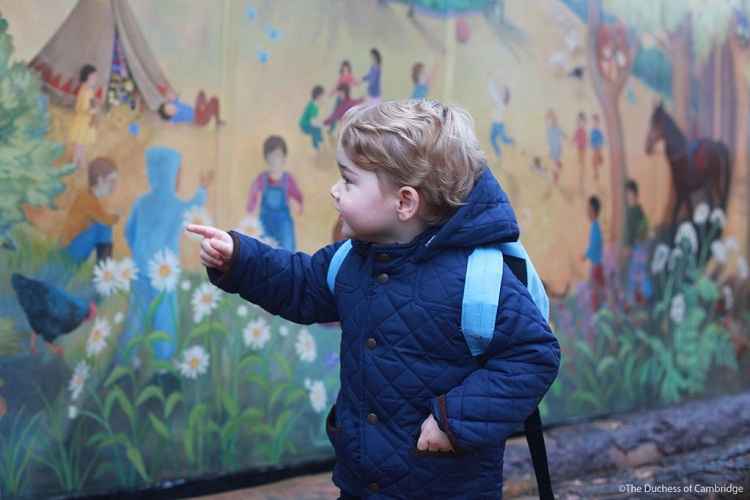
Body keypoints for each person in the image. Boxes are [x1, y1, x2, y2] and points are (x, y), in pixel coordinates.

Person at [186, 99, 560, 499]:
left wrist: (456, 422)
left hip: (446, 487)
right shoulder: (354, 258)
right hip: (362, 481)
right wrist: (241, 259)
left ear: (404, 202)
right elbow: (301, 284)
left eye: (348, 181)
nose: (334, 191)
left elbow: (533, 356)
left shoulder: (478, 278)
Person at [118, 146, 214, 368]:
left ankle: (125, 364)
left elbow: (128, 232)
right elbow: (193, 207)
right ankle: (164, 367)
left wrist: (140, 254)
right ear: (173, 175)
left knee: (136, 316)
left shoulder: (141, 203)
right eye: (178, 172)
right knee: (165, 318)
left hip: (141, 270)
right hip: (165, 274)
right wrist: (202, 189)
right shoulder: (176, 205)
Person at [246, 135, 303, 251]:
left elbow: (298, 201)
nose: (274, 160)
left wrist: (296, 205)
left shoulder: (288, 180)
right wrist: (252, 212)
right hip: (265, 224)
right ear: (266, 158)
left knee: (287, 254)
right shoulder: (261, 180)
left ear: (284, 158)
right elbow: (252, 204)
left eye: (278, 156)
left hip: (284, 226)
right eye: (271, 156)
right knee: (265, 255)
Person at [61, 157, 119, 265]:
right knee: (104, 227)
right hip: (69, 251)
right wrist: (118, 216)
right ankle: (104, 271)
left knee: (103, 227)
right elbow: (106, 219)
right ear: (100, 180)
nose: (114, 187)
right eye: (112, 181)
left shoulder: (90, 197)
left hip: (73, 248)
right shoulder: (87, 199)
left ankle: (104, 271)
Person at [623, 179, 652, 306]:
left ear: (633, 194)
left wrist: (628, 248)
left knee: (635, 274)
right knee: (640, 273)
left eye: (628, 194)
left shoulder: (633, 211)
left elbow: (632, 232)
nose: (627, 197)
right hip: (642, 246)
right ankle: (645, 297)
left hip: (638, 247)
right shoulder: (639, 210)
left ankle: (632, 301)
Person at [68, 64, 99, 169]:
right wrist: (92, 110)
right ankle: (74, 164)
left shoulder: (88, 89)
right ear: (87, 77)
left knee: (82, 145)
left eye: (96, 77)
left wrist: (93, 110)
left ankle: (82, 164)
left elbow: (91, 103)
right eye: (93, 77)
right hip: (82, 122)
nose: (95, 79)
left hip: (86, 122)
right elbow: (81, 108)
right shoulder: (85, 91)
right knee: (79, 145)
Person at [582, 195, 605, 312]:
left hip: (597, 266)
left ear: (594, 211)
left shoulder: (595, 227)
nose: (587, 213)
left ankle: (597, 312)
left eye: (589, 210)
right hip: (596, 265)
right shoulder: (594, 227)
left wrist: (586, 255)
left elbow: (595, 245)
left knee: (596, 292)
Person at [157, 89, 224, 127]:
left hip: (198, 111)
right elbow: (169, 123)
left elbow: (173, 96)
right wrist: (167, 123)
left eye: (170, 106)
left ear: (170, 103)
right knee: (214, 99)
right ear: (170, 116)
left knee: (201, 93)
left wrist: (169, 95)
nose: (171, 109)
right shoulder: (175, 118)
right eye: (169, 111)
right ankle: (217, 120)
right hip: (200, 120)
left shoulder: (175, 103)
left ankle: (206, 109)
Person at [299, 85, 325, 150]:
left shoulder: (313, 103)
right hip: (304, 125)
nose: (323, 97)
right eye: (322, 95)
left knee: (318, 129)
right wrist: (322, 125)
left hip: (305, 123)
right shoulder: (314, 107)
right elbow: (312, 122)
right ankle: (317, 147)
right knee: (316, 131)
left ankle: (319, 142)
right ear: (318, 96)